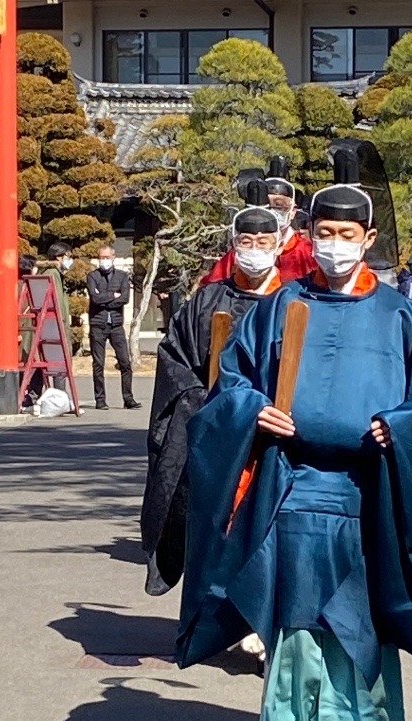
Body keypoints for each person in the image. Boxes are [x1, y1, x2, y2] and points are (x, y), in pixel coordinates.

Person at [176, 157, 412, 721]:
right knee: (291, 620)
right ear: (306, 233)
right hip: (290, 487)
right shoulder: (281, 304)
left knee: (353, 621)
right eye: (322, 232)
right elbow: (229, 380)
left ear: (368, 239)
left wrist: (402, 427)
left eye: (347, 235)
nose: (333, 245)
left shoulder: (397, 316)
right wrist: (247, 409)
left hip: (364, 491)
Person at [141, 181, 283, 598]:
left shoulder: (294, 301)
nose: (254, 248)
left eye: (264, 240)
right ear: (233, 244)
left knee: (264, 525)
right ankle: (210, 614)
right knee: (212, 523)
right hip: (215, 431)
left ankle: (259, 619)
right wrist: (201, 401)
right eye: (246, 240)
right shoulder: (208, 300)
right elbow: (174, 357)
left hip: (272, 434)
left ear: (279, 244)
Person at [200, 160, 315, 285]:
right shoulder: (242, 252)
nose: (272, 211)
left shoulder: (307, 253)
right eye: (267, 205)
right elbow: (211, 286)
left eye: (279, 205)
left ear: (293, 211)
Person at [86, 245, 141, 411]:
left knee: (125, 362)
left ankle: (128, 398)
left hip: (116, 325)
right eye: (101, 257)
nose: (104, 261)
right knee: (98, 364)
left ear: (113, 257)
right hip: (98, 324)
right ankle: (100, 400)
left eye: (106, 257)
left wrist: (107, 298)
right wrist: (112, 295)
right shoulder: (92, 276)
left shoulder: (122, 276)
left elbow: (124, 298)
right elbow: (94, 298)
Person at [30, 242, 73, 395]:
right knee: (58, 360)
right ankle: (60, 395)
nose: (70, 260)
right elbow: (58, 301)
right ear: (59, 257)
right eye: (68, 256)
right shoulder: (53, 274)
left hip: (46, 322)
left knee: (43, 359)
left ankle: (35, 393)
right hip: (55, 322)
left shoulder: (44, 272)